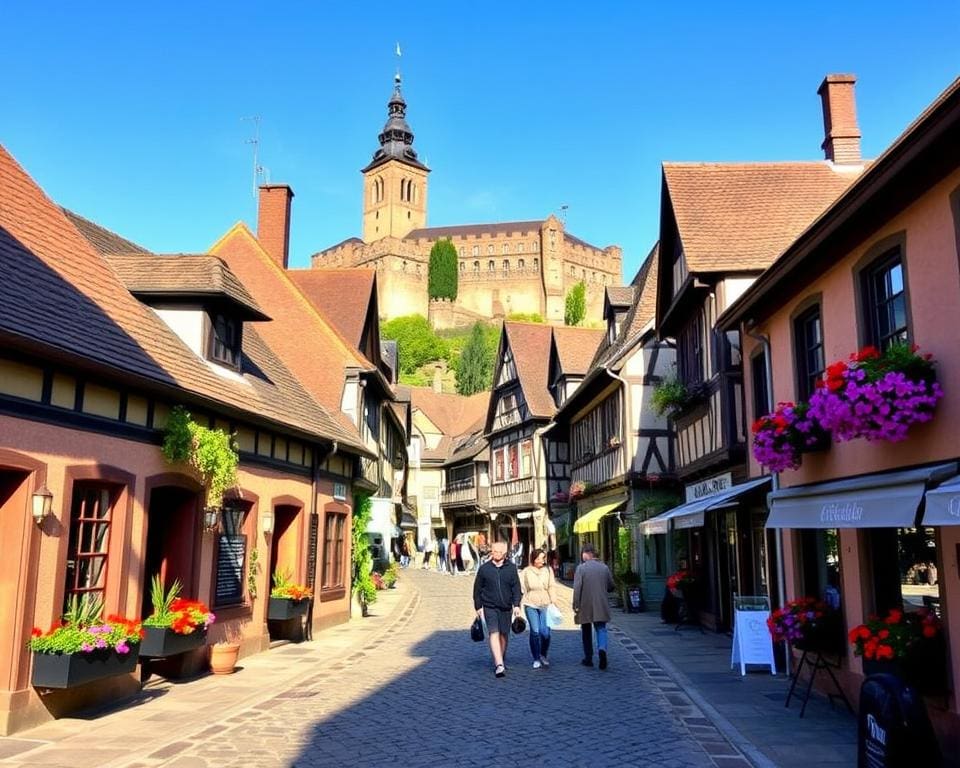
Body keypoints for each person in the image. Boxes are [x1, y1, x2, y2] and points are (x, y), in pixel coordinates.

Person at [473, 541, 522, 678]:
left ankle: (501, 655)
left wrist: (516, 604)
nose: (496, 554)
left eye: (499, 552)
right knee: (493, 633)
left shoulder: (511, 568)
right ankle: (499, 664)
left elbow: (516, 588)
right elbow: (477, 589)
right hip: (490, 606)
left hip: (506, 607)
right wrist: (478, 606)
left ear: (505, 553)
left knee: (504, 635)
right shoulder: (484, 569)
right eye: (494, 551)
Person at [573, 542, 614, 670]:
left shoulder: (581, 568)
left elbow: (577, 588)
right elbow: (611, 586)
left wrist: (575, 604)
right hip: (601, 603)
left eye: (582, 554)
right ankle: (602, 649)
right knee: (601, 629)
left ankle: (588, 658)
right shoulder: (604, 568)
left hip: (585, 604)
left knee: (586, 630)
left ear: (586, 554)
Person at [520, 548, 557, 669]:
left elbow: (551, 586)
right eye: (539, 558)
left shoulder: (548, 570)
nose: (541, 561)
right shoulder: (526, 571)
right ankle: (536, 657)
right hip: (531, 603)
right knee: (535, 631)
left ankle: (543, 654)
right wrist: (519, 605)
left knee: (545, 632)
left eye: (543, 558)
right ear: (533, 559)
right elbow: (523, 588)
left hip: (545, 603)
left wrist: (553, 600)